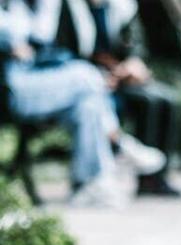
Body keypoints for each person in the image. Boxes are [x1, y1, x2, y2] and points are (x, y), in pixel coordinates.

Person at [0, 0, 163, 208]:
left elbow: (44, 39)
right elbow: (15, 34)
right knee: (87, 77)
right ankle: (118, 145)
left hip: (36, 79)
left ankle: (89, 185)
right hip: (11, 87)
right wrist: (13, 39)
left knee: (88, 104)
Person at [30, 0, 181, 197]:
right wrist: (97, 73)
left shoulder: (123, 7)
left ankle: (153, 178)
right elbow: (62, 50)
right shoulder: (68, 7)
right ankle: (114, 158)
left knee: (164, 100)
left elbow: (135, 44)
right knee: (110, 104)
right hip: (87, 79)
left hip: (120, 78)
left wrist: (133, 63)